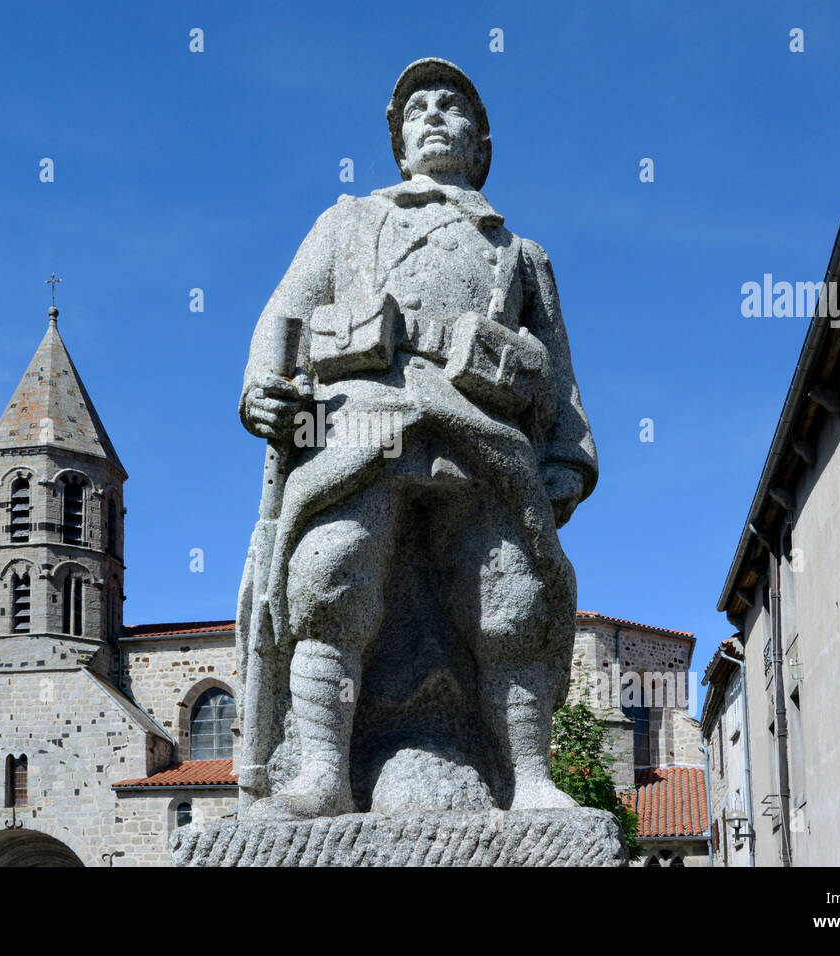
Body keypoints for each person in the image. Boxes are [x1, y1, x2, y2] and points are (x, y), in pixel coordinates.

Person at [237, 58, 597, 821]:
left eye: (453, 105)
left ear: (482, 141)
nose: (433, 115)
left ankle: (528, 779)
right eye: (416, 109)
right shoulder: (349, 221)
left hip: (482, 436)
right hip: (359, 421)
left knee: (511, 599)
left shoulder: (520, 254)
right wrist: (261, 385)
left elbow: (559, 375)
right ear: (399, 143)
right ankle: (324, 774)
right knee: (330, 578)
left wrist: (566, 459)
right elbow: (285, 314)